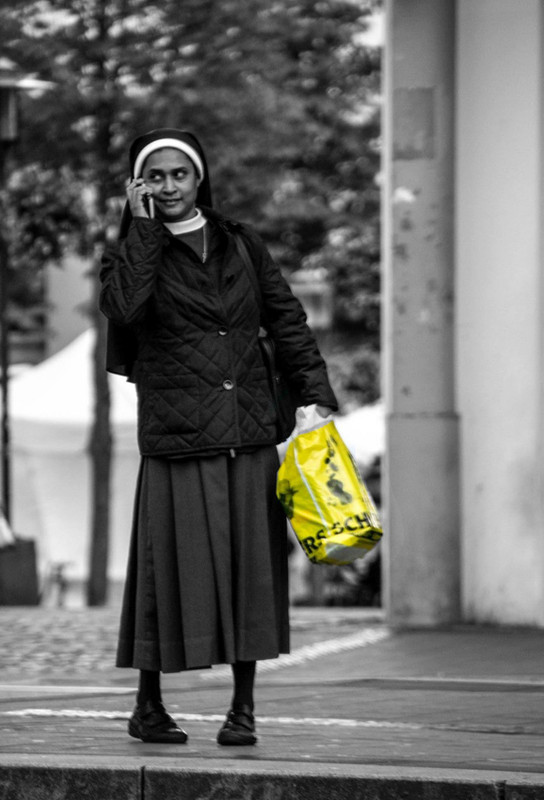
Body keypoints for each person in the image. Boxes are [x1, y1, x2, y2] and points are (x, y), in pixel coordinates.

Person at [99, 128, 338, 746]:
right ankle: (148, 706)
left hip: (249, 430)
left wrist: (315, 395)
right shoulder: (129, 250)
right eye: (155, 176)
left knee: (250, 573)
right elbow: (124, 311)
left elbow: (286, 319)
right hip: (177, 436)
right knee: (164, 573)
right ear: (138, 185)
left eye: (179, 174)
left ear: (199, 177)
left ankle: (243, 710)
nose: (169, 186)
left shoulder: (241, 242)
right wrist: (142, 230)